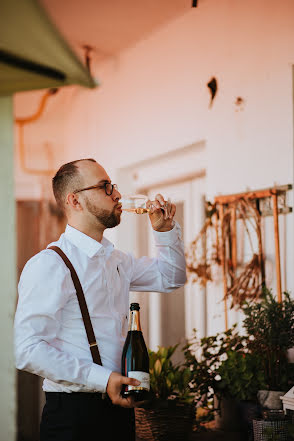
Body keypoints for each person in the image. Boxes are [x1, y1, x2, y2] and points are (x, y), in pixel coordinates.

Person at [14, 158, 187, 441]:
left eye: (113, 186)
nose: (117, 194)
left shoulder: (116, 260)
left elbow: (172, 278)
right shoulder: (50, 264)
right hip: (73, 417)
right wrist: (103, 380)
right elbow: (27, 349)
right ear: (75, 201)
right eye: (105, 187)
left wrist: (165, 231)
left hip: (120, 412)